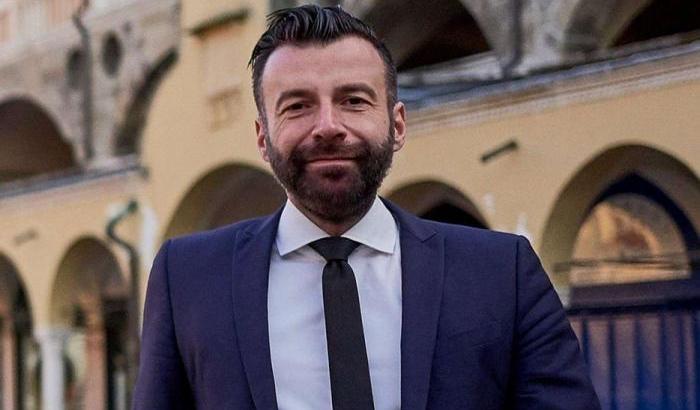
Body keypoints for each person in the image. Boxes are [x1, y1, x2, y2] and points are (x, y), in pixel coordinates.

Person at [133, 5, 600, 410]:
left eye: (353, 101)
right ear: (262, 137)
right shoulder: (188, 278)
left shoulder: (501, 273)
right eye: (297, 106)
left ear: (397, 125)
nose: (328, 126)